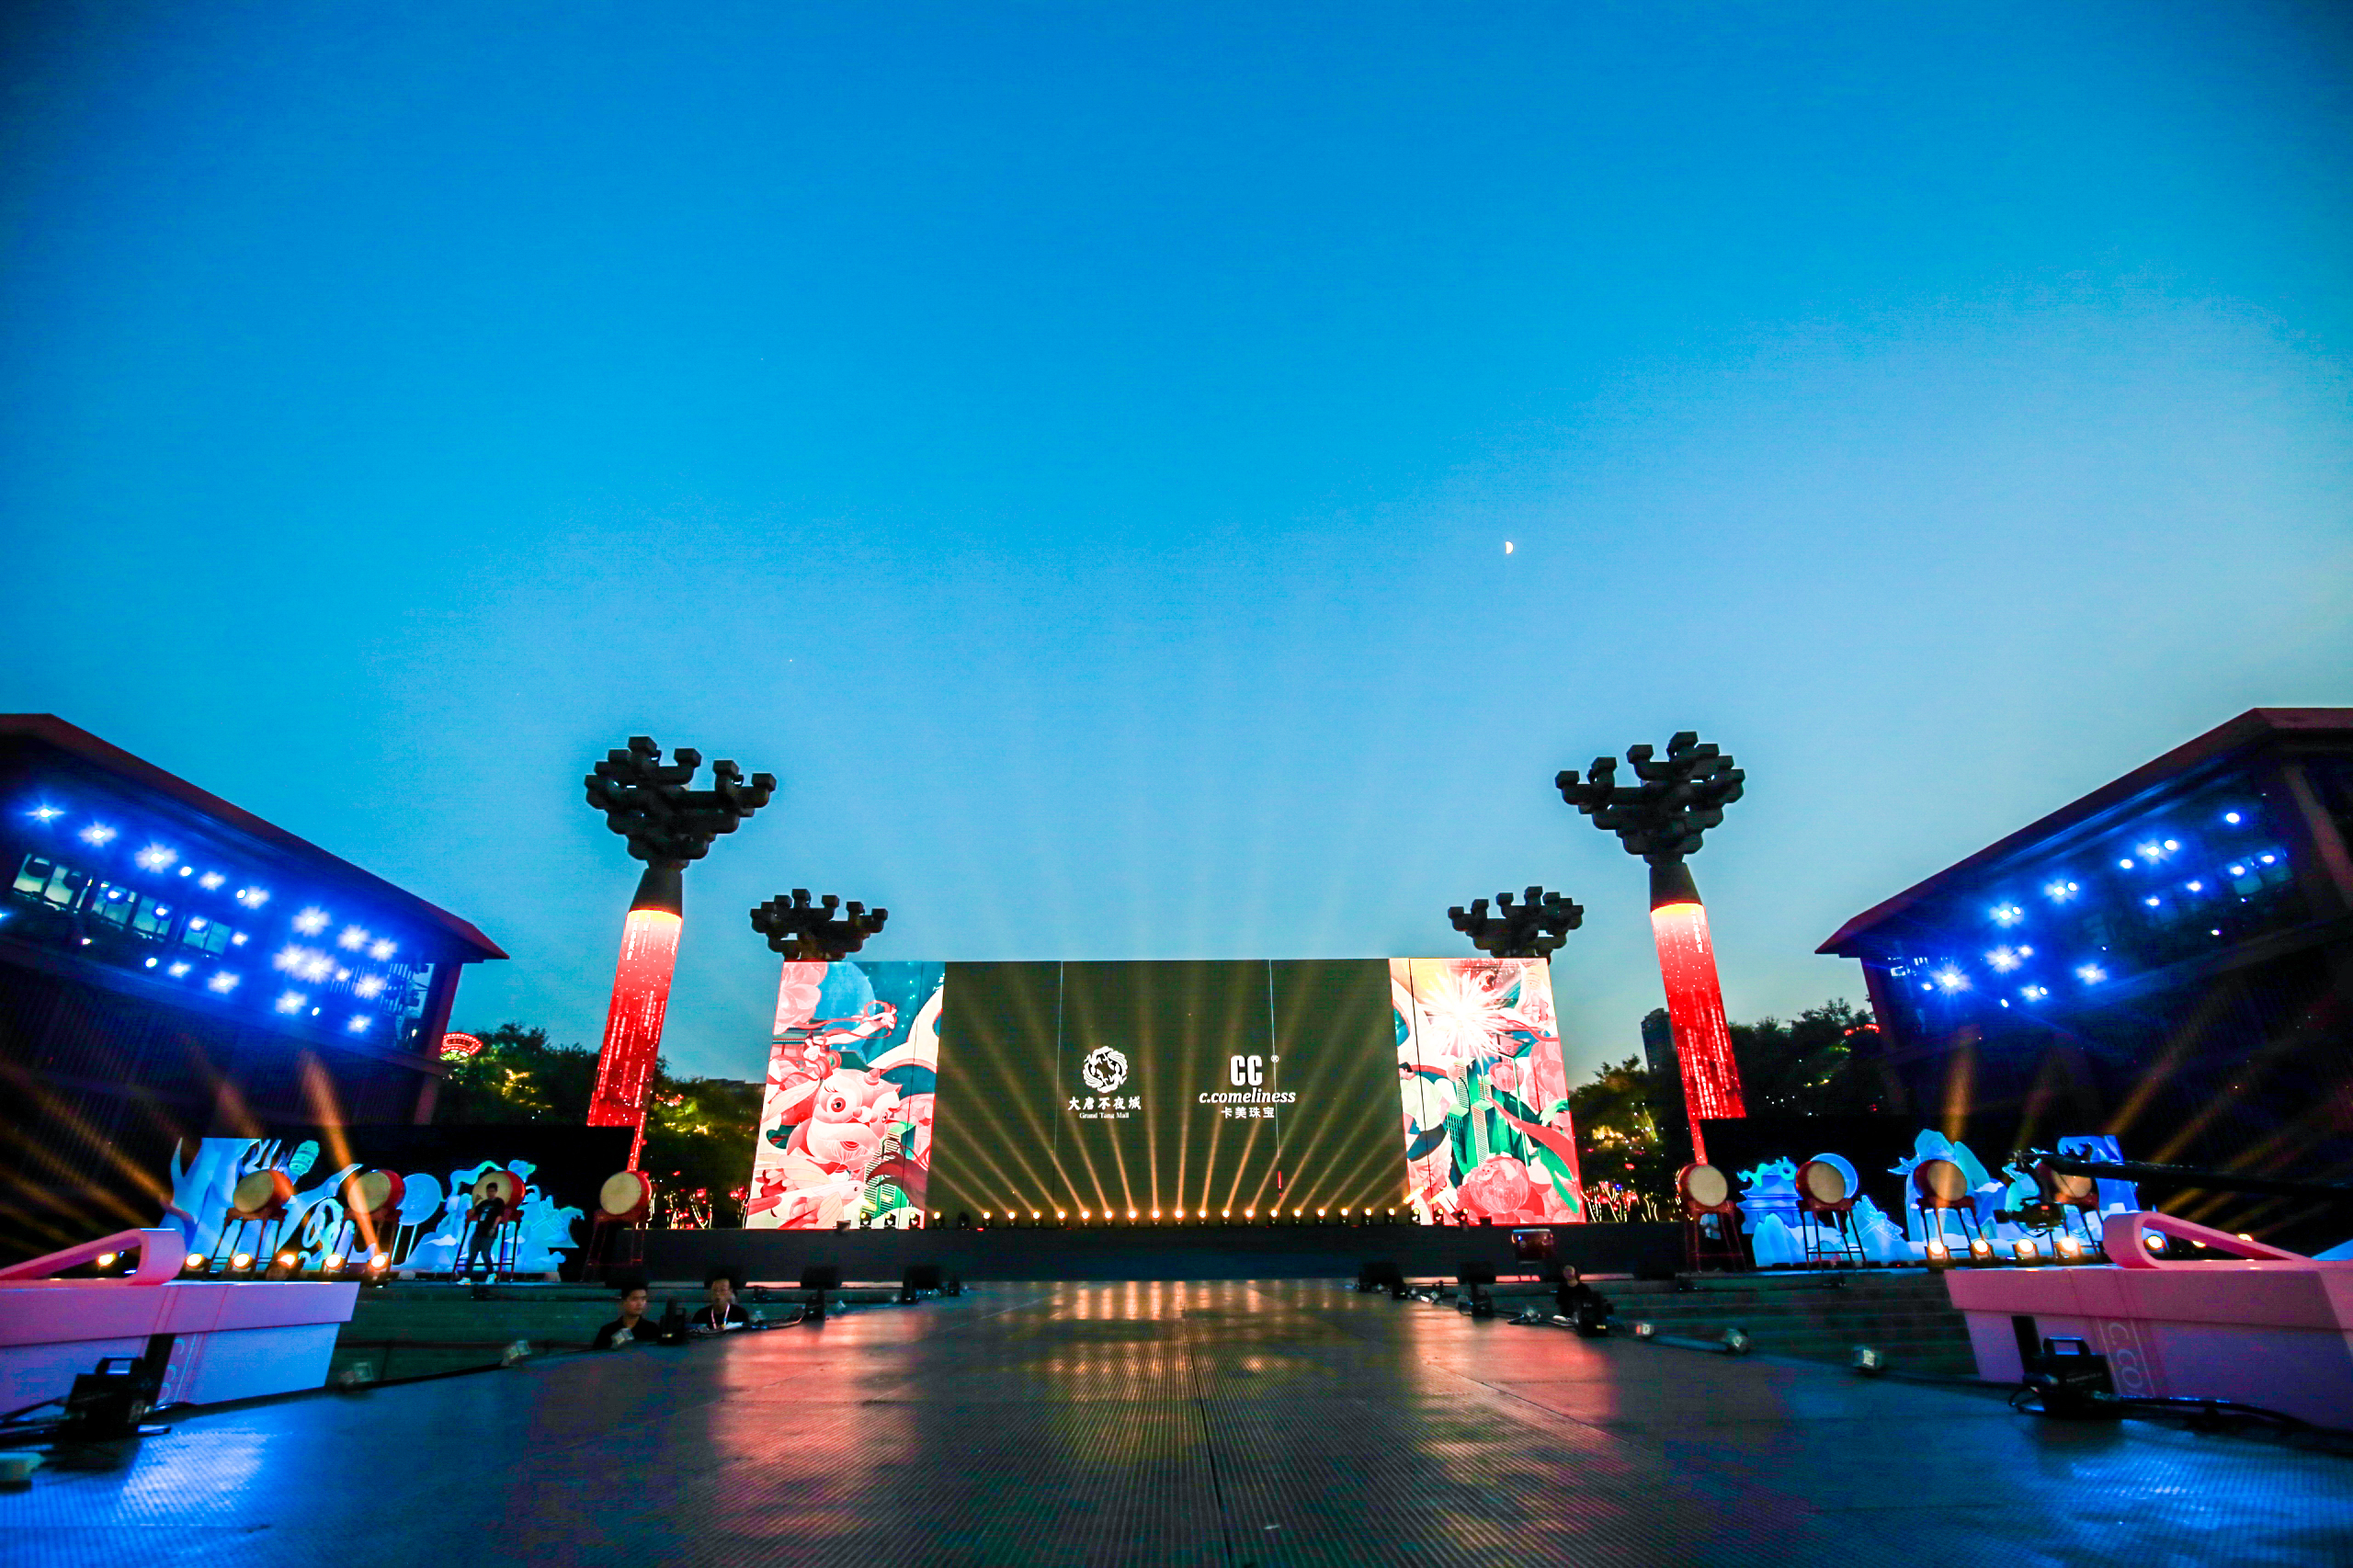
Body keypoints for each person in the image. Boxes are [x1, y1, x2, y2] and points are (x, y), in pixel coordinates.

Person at [462, 1186, 508, 1278]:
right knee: (472, 1255)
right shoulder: (484, 1203)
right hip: (479, 1230)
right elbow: (472, 1213)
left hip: (489, 1231)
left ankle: (491, 1274)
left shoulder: (499, 1202)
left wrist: (494, 1228)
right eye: (488, 1191)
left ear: (495, 1192)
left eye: (492, 1191)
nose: (490, 1193)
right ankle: (466, 1277)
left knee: (485, 1253)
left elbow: (499, 1216)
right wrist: (475, 1202)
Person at [592, 1281, 654, 1349]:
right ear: (623, 1302)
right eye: (634, 1299)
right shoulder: (608, 1330)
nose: (640, 1303)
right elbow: (597, 1353)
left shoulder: (651, 1329)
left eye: (643, 1299)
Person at [1556, 1264, 1613, 1337]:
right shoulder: (1562, 1288)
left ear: (1575, 1273)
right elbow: (1559, 1301)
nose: (1568, 1273)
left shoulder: (1583, 1287)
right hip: (1568, 1314)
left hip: (1583, 1314)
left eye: (1570, 1270)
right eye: (1566, 1271)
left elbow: (1590, 1301)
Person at [696, 1268, 750, 1332]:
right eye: (715, 1290)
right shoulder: (701, 1315)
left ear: (730, 1292)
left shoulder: (740, 1314)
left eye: (723, 1290)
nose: (718, 1293)